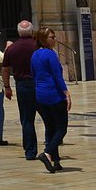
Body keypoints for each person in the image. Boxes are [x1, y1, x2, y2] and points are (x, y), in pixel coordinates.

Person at [32, 26, 71, 172]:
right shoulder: (50, 54)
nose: (54, 40)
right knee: (61, 128)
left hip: (40, 96)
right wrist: (66, 93)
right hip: (54, 95)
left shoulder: (34, 55)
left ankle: (56, 161)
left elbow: (34, 75)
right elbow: (57, 76)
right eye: (52, 37)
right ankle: (47, 153)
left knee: (50, 128)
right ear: (44, 39)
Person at [1, 20, 39, 160]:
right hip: (39, 84)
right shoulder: (38, 46)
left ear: (18, 32)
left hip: (22, 85)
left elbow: (5, 70)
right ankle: (51, 147)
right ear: (32, 31)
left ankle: (30, 151)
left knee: (27, 119)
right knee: (48, 116)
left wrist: (7, 87)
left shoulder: (12, 48)